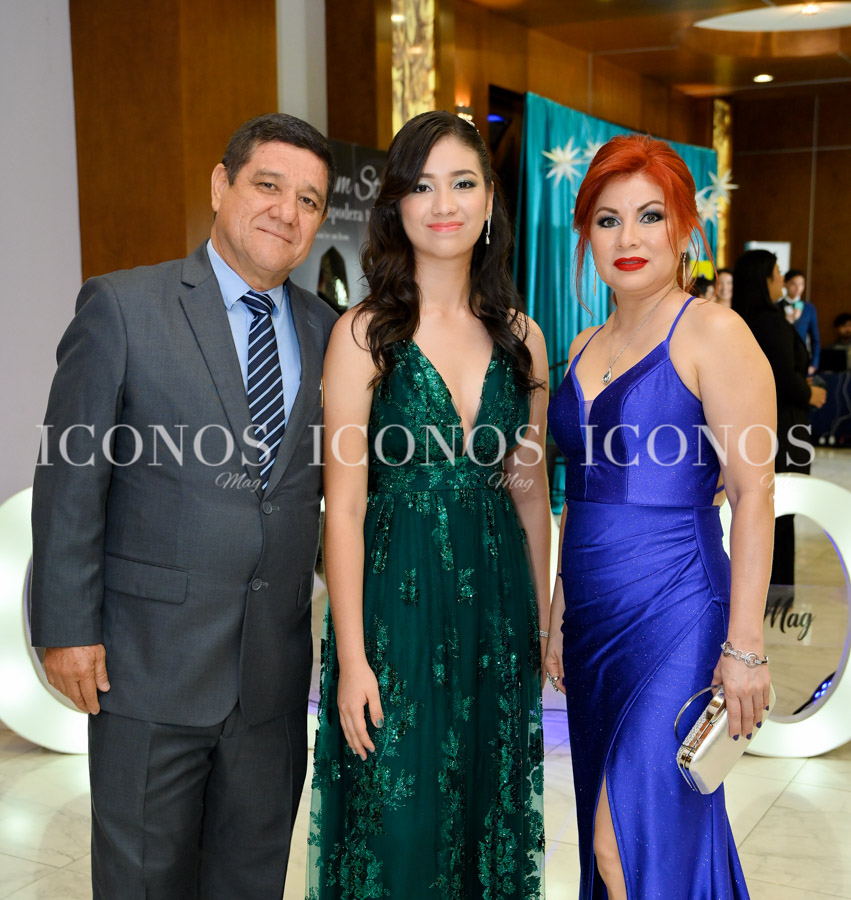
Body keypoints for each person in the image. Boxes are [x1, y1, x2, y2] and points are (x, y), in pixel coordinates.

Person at [30, 114, 338, 899]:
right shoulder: (124, 307)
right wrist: (66, 628)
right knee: (142, 881)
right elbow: (71, 478)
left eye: (308, 200)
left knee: (249, 882)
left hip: (271, 682)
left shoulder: (329, 331)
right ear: (220, 185)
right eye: (267, 185)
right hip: (148, 670)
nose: (286, 212)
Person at [308, 110, 550, 898]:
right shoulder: (364, 334)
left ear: (489, 202)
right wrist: (352, 659)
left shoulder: (522, 337)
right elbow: (343, 509)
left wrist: (539, 622)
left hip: (498, 608)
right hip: (396, 607)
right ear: (396, 205)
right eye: (421, 185)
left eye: (462, 183)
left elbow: (528, 491)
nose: (443, 203)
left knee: (486, 810)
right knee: (398, 817)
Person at [545, 134, 774, 900]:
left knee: (624, 840)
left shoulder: (713, 332)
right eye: (607, 220)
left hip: (677, 614)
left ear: (684, 227)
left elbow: (753, 494)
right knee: (623, 841)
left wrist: (744, 647)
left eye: (649, 215)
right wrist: (560, 609)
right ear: (586, 234)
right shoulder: (582, 345)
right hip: (591, 623)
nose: (629, 237)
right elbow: (579, 493)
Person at [733, 251, 826, 595]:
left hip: (754, 430)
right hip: (783, 429)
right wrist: (809, 393)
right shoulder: (769, 322)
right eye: (777, 272)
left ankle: (763, 593)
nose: (781, 279)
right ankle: (777, 596)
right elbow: (782, 377)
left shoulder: (739, 319)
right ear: (764, 279)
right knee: (781, 514)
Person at [779, 269, 820, 374]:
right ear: (785, 284)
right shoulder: (776, 307)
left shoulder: (809, 308)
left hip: (802, 359)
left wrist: (814, 364)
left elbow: (815, 338)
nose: (798, 288)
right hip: (781, 357)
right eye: (794, 284)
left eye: (801, 284)